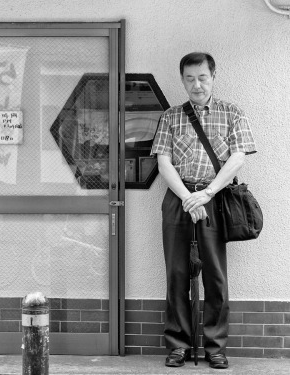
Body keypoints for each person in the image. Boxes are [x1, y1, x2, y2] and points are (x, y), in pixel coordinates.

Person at [151, 52, 256, 369]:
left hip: (215, 196)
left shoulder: (232, 113)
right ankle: (178, 344)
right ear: (182, 79)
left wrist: (207, 193)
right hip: (178, 197)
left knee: (215, 275)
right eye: (189, 78)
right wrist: (187, 197)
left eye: (202, 77)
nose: (196, 84)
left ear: (213, 76)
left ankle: (215, 346)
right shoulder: (171, 116)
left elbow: (238, 157)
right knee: (177, 274)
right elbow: (163, 161)